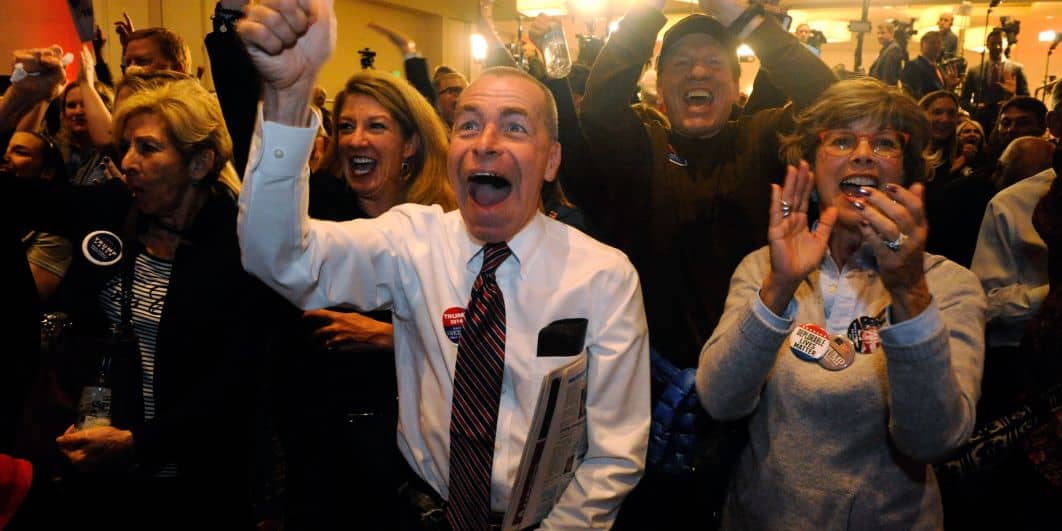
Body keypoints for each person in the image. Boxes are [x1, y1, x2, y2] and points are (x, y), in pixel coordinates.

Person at [237, 2, 650, 530]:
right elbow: (278, 258)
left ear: (551, 161)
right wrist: (289, 97)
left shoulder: (604, 277)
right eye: (468, 125)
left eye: (514, 127)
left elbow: (614, 453)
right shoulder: (413, 241)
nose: (486, 144)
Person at [576, 0, 836, 526]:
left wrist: (746, 21)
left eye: (714, 62)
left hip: (758, 384)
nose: (697, 71)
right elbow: (600, 105)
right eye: (681, 63)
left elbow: (830, 101)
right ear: (660, 91)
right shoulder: (642, 148)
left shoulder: (762, 140)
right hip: (646, 393)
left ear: (738, 87)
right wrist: (648, 10)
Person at [697, 77, 985, 529]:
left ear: (906, 174)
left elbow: (934, 441)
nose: (864, 153)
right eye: (842, 140)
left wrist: (909, 292)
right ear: (811, 172)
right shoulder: (763, 268)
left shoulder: (948, 285)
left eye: (885, 142)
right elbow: (719, 400)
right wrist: (780, 287)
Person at [8, 77, 264, 530]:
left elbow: (236, 381)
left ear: (200, 162)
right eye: (126, 146)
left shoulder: (238, 245)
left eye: (147, 149)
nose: (127, 163)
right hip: (97, 476)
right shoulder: (112, 209)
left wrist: (137, 442)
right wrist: (18, 100)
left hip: (197, 485)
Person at [278, 67, 456, 528]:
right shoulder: (316, 212)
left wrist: (391, 337)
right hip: (326, 453)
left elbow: (484, 340)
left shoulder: (447, 225)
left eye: (376, 126)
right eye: (346, 126)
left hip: (422, 457)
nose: (356, 139)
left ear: (410, 144)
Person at [919, 90, 994, 268]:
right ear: (923, 115)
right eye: (937, 112)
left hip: (956, 250)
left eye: (951, 113)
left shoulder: (964, 153)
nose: (945, 119)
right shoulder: (910, 153)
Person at [3, 131, 71, 301]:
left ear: (46, 172)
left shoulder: (56, 229)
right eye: (4, 149)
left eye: (20, 152)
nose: (5, 157)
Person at [960, 29, 1029, 132]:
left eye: (1000, 43)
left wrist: (1011, 100)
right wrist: (975, 107)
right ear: (987, 45)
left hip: (1008, 123)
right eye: (993, 43)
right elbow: (963, 100)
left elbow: (1026, 98)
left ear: (1006, 45)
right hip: (980, 122)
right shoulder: (974, 71)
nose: (996, 47)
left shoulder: (1017, 69)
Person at [901, 31, 959, 101]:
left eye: (939, 43)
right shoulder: (913, 65)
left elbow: (942, 95)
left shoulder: (939, 68)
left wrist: (950, 87)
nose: (936, 46)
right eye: (932, 43)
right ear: (921, 46)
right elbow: (913, 96)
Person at [869, 22, 905, 86]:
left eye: (883, 33)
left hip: (884, 89)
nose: (879, 36)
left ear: (891, 34)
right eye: (878, 33)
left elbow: (888, 78)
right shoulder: (887, 48)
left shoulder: (894, 49)